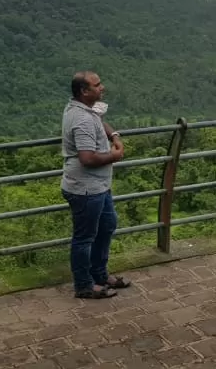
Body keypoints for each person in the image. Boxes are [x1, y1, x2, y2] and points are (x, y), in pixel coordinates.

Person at [61, 71, 131, 299]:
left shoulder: (86, 110)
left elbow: (100, 121)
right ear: (84, 91)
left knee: (107, 225)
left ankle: (99, 274)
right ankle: (84, 285)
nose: (103, 88)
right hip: (86, 189)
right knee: (84, 237)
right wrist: (116, 155)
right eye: (97, 85)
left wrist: (115, 136)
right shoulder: (81, 119)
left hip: (99, 186)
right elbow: (87, 158)